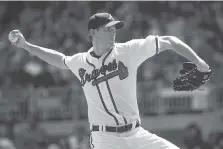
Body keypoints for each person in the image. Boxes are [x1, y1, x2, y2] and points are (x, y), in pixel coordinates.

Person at [9, 12, 210, 149]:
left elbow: (170, 41)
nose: (113, 31)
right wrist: (27, 46)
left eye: (115, 28)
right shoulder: (81, 62)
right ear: (92, 32)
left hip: (135, 134)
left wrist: (199, 61)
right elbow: (59, 59)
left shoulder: (129, 50)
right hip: (105, 139)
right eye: (108, 28)